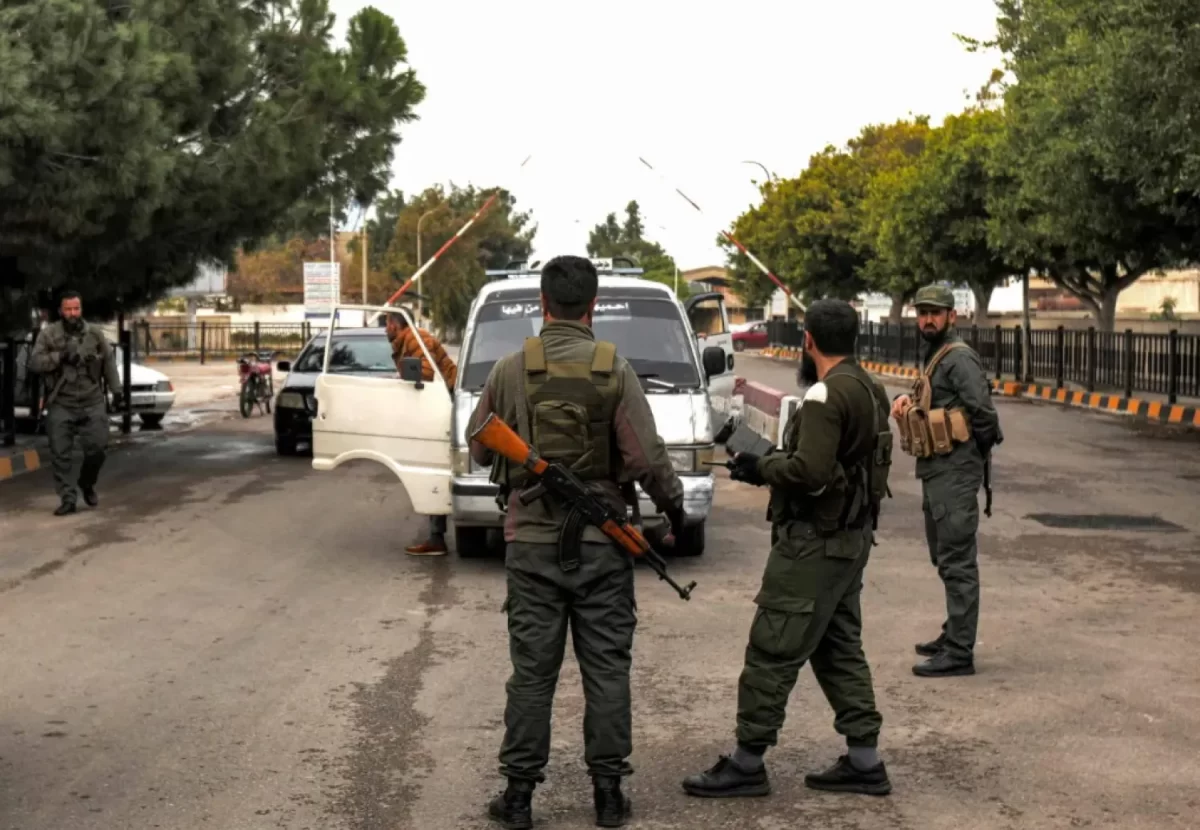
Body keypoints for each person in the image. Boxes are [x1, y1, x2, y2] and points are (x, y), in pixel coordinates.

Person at [467, 255, 686, 829]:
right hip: (603, 546)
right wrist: (674, 506)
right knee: (607, 669)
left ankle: (517, 797)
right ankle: (609, 795)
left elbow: (479, 447)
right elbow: (645, 458)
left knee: (533, 674)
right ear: (593, 307)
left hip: (531, 545)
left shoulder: (512, 369)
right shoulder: (615, 370)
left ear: (543, 305)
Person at [681, 298, 894, 799]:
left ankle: (747, 763)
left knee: (772, 647)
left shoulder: (825, 395)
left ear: (809, 341)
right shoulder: (869, 387)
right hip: (849, 540)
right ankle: (865, 761)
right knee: (838, 646)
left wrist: (762, 468)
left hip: (814, 545)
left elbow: (810, 473)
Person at [890, 284, 1002, 678]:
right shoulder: (937, 356)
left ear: (952, 316)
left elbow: (985, 416)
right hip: (938, 471)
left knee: (957, 560)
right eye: (922, 313)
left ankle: (959, 651)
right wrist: (910, 400)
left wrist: (970, 458)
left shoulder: (958, 359)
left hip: (954, 473)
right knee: (944, 555)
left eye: (935, 313)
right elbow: (940, 400)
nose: (927, 319)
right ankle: (954, 631)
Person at [28, 290, 123, 516]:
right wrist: (59, 357)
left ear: (81, 309)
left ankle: (86, 483)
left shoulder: (95, 334)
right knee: (60, 454)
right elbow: (34, 362)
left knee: (98, 448)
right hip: (61, 402)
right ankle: (68, 498)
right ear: (61, 311)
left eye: (76, 308)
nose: (73, 313)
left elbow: (108, 362)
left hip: (92, 400)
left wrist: (116, 391)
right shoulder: (49, 335)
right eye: (68, 309)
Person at [384, 309, 459, 555]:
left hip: (444, 401)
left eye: (386, 323)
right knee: (434, 467)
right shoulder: (407, 341)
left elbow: (425, 374)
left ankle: (437, 538)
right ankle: (436, 536)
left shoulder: (416, 338)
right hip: (439, 401)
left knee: (435, 467)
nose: (385, 329)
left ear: (395, 325)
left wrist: (402, 378)